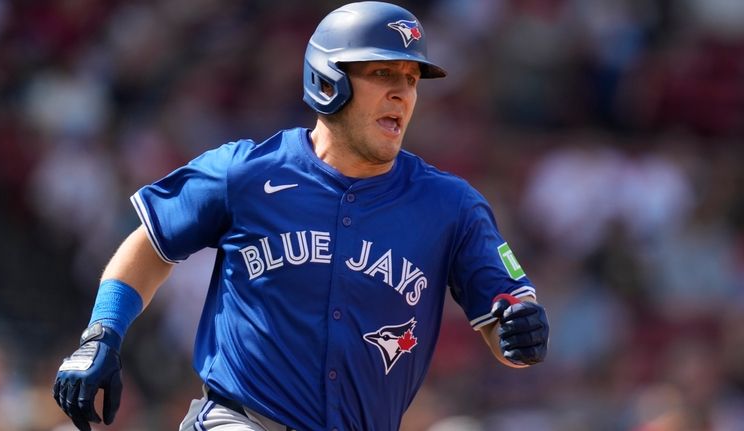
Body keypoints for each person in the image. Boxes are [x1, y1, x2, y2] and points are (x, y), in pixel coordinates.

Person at [52, 2, 550, 430]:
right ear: (328, 80)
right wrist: (102, 334)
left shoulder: (451, 206)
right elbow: (150, 245)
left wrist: (521, 334)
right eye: (382, 74)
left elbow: (507, 327)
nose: (403, 93)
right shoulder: (246, 172)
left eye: (412, 78)